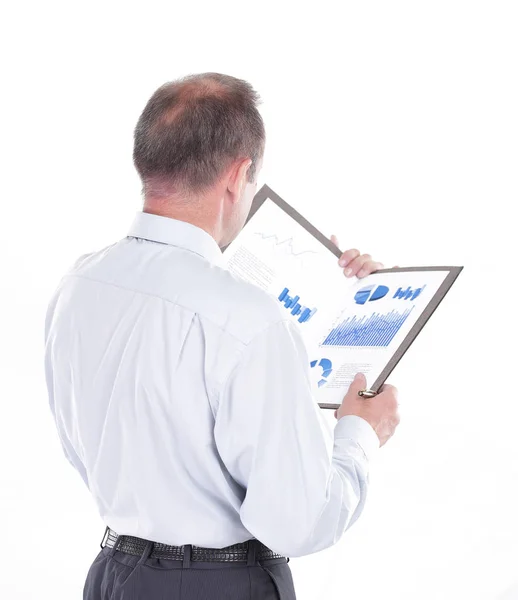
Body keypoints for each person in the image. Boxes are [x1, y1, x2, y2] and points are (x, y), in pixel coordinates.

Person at [44, 72, 400, 600]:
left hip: (113, 575)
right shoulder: (250, 323)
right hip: (220, 585)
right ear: (238, 175)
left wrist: (312, 293)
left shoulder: (78, 283)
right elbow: (298, 523)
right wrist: (360, 434)